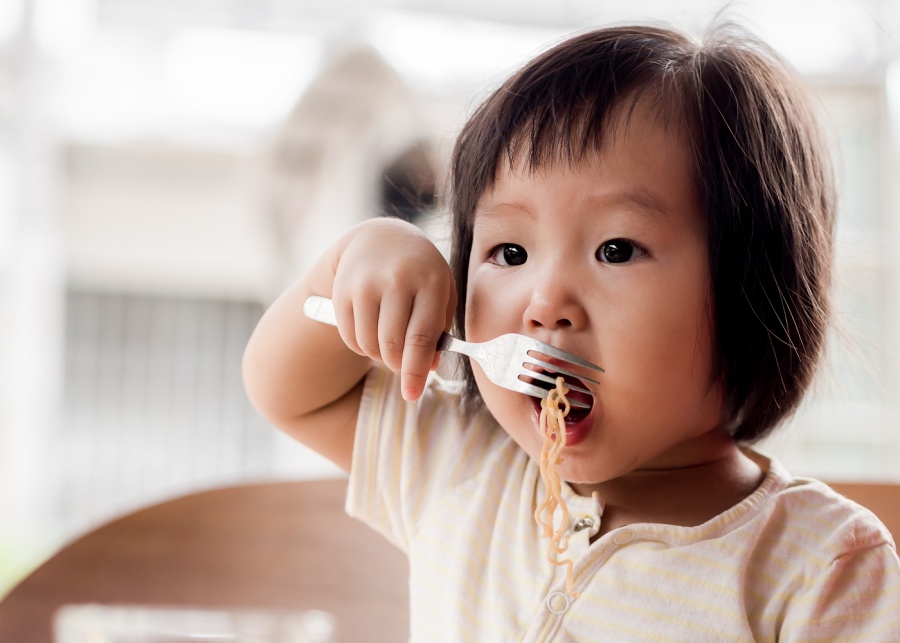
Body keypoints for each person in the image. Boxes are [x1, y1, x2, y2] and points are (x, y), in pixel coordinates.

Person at [243, 23, 900, 641]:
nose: (544, 301)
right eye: (509, 252)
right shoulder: (458, 461)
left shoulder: (818, 565)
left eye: (615, 249)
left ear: (751, 289)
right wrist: (355, 258)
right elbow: (288, 391)